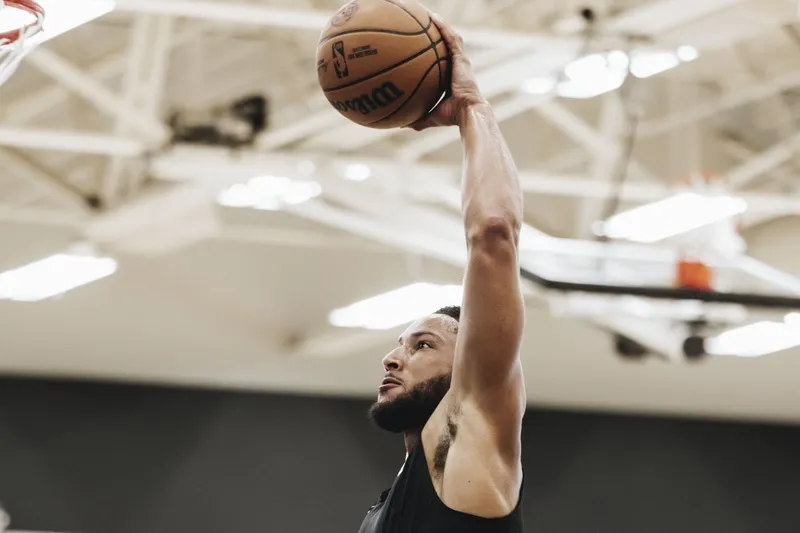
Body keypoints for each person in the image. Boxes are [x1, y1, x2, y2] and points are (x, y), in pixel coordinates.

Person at [358, 12, 526, 533]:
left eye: (423, 345)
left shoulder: (465, 440)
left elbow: (493, 233)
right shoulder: (388, 505)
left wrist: (472, 109)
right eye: (401, 344)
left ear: (468, 366)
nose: (393, 357)